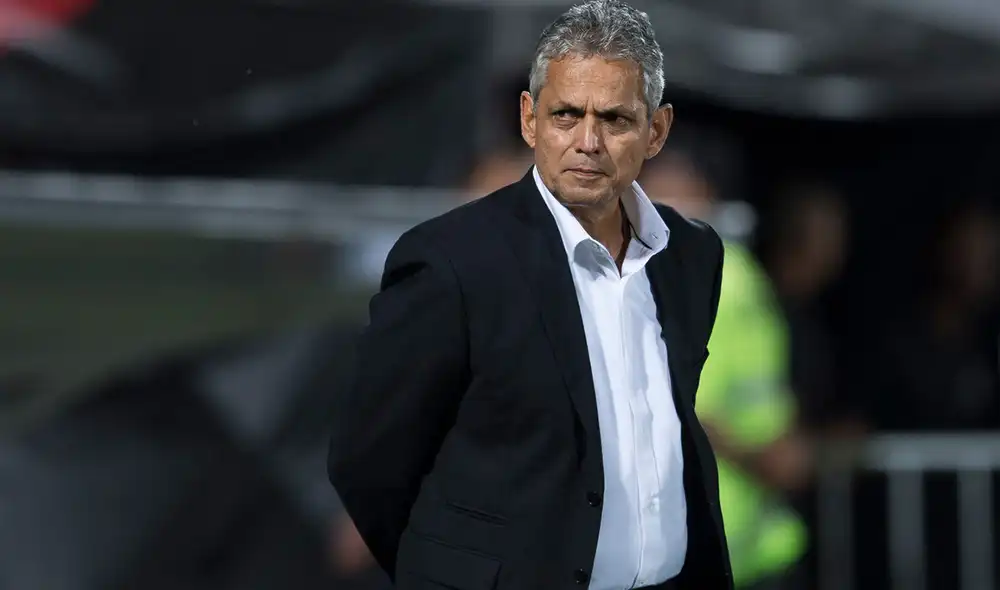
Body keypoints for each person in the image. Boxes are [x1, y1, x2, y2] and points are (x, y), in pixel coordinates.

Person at [327, 2, 733, 589]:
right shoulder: (450, 261)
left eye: (615, 119)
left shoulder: (692, 256)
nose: (587, 141)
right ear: (529, 119)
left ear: (657, 130)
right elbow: (368, 462)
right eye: (566, 114)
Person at [642, 149, 810, 590]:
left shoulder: (720, 281)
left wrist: (769, 455)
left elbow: (696, 409)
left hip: (727, 544)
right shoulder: (724, 275)